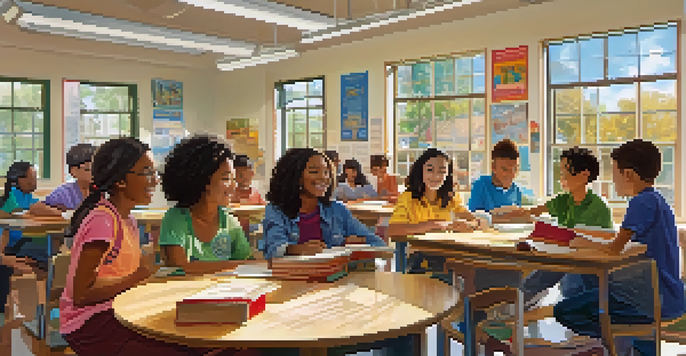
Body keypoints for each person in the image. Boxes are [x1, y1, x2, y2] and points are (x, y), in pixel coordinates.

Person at [59, 137, 233, 356]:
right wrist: (138, 277)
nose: (155, 181)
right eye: (147, 173)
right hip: (90, 324)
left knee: (214, 342)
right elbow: (81, 294)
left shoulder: (127, 219)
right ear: (121, 180)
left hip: (121, 310)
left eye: (155, 173)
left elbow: (138, 272)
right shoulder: (102, 221)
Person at [553, 139, 684, 356]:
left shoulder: (641, 202)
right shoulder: (658, 200)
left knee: (565, 310)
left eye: (614, 174)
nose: (613, 181)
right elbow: (626, 242)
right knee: (595, 288)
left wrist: (583, 242)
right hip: (670, 296)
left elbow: (615, 248)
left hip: (651, 299)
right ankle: (633, 346)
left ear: (628, 175)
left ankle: (612, 346)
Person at [518, 147, 614, 309]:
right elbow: (533, 212)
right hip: (566, 264)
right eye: (560, 173)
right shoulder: (563, 200)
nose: (561, 178)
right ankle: (519, 302)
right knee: (547, 268)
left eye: (565, 173)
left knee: (564, 277)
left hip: (590, 270)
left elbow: (603, 245)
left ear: (584, 175)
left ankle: (520, 301)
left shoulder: (599, 207)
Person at [262, 148, 385, 260]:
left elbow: (379, 245)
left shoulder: (337, 210)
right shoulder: (276, 211)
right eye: (314, 172)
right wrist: (297, 249)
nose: (323, 177)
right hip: (291, 280)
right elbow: (273, 249)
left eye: (327, 172)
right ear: (295, 176)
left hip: (335, 280)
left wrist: (356, 244)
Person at [159, 135, 255, 276]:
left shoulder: (229, 221)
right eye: (226, 178)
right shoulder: (176, 218)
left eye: (234, 179)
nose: (234, 186)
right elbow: (180, 267)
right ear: (201, 179)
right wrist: (233, 265)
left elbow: (248, 263)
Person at [388, 148, 486, 274]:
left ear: (447, 175)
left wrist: (471, 225)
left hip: (450, 255)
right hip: (420, 258)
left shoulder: (450, 197)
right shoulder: (408, 198)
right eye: (430, 170)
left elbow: (473, 219)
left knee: (477, 271)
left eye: (442, 171)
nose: (436, 176)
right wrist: (434, 225)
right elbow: (393, 230)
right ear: (420, 171)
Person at [32, 143, 96, 216]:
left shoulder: (103, 190)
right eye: (89, 167)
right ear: (74, 171)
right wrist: (64, 214)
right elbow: (36, 208)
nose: (95, 171)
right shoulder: (64, 192)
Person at [468, 139, 522, 214]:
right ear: (493, 167)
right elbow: (475, 218)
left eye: (515, 169)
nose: (511, 174)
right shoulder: (480, 186)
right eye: (505, 169)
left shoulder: (516, 191)